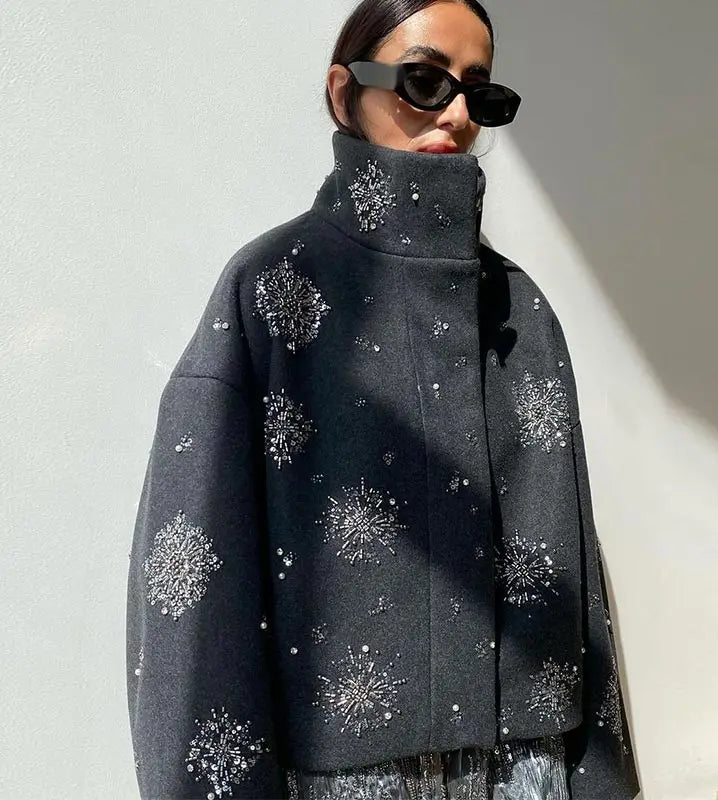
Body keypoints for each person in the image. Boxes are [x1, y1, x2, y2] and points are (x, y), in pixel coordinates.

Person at [126, 1, 641, 799]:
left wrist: (601, 776)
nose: (457, 115)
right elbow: (189, 578)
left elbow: (573, 561)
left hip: (526, 771)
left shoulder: (520, 310)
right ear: (345, 92)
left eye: (479, 92)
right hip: (341, 780)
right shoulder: (270, 291)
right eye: (424, 81)